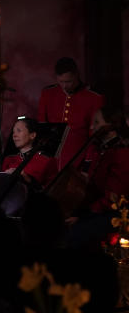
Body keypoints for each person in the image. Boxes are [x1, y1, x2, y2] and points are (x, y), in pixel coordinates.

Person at [67, 106, 129, 249]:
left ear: (110, 126)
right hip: (98, 207)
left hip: (115, 213)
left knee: (76, 233)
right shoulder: (99, 149)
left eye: (96, 122)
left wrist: (83, 216)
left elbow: (114, 197)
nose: (91, 126)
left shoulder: (121, 152)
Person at [37, 57, 104, 167]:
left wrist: (88, 161)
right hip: (51, 158)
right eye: (61, 81)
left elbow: (95, 134)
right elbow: (42, 126)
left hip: (79, 157)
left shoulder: (94, 97)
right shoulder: (48, 93)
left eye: (68, 81)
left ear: (77, 75)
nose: (64, 86)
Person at [1, 116, 58, 187]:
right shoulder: (8, 159)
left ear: (32, 135)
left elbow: (52, 192)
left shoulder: (47, 160)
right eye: (13, 132)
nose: (14, 135)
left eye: (19, 131)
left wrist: (27, 178)